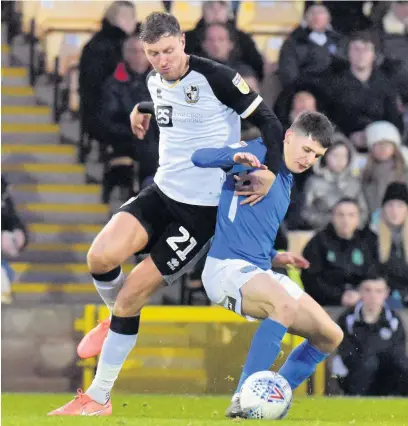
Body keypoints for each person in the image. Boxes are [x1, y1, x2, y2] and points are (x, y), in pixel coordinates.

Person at [48, 11, 283, 416]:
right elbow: (171, 106)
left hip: (200, 212)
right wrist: (141, 107)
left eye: (169, 51)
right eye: (153, 53)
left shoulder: (219, 78)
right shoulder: (155, 81)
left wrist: (273, 176)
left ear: (183, 44)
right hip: (162, 192)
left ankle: (98, 397)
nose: (162, 60)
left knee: (131, 295)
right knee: (99, 257)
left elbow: (269, 120)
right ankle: (111, 320)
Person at [194, 112, 343, 417]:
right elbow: (198, 157)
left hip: (257, 268)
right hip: (225, 267)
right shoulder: (256, 156)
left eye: (316, 156)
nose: (309, 160)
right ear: (289, 136)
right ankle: (244, 397)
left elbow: (248, 224)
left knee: (330, 335)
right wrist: (233, 155)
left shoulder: (285, 177)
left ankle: (273, 396)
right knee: (284, 305)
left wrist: (275, 256)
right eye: (306, 150)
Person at [98, 35, 158, 203]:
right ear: (124, 55)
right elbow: (109, 122)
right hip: (127, 143)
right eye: (133, 51)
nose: (138, 56)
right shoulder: (114, 85)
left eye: (143, 52)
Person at [334, 273, 408, 396]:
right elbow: (347, 354)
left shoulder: (394, 320)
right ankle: (356, 401)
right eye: (368, 290)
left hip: (385, 375)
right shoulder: (347, 318)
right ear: (360, 292)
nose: (373, 296)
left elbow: (398, 353)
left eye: (378, 291)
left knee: (401, 365)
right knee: (368, 363)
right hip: (355, 374)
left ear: (386, 293)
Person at [301, 198, 377, 306]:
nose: (345, 220)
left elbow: (376, 273)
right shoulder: (318, 243)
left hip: (364, 302)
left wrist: (362, 293)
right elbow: (311, 280)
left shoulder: (369, 241)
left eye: (351, 215)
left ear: (358, 218)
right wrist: (340, 296)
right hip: (326, 305)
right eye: (340, 215)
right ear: (332, 217)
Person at [79, 1, 136, 142]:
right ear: (113, 18)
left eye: (132, 16)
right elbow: (99, 88)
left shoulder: (129, 44)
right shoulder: (100, 47)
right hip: (107, 115)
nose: (131, 21)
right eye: (125, 17)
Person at [302, 135, 368, 229]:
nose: (340, 160)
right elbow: (306, 212)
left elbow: (363, 212)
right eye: (335, 155)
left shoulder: (354, 182)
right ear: (324, 156)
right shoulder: (314, 182)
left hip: (351, 236)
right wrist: (332, 221)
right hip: (322, 234)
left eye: (344, 155)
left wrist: (352, 224)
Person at [371, 182, 408, 307]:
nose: (395, 211)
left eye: (400, 206)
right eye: (390, 205)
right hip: (384, 297)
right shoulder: (371, 236)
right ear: (383, 208)